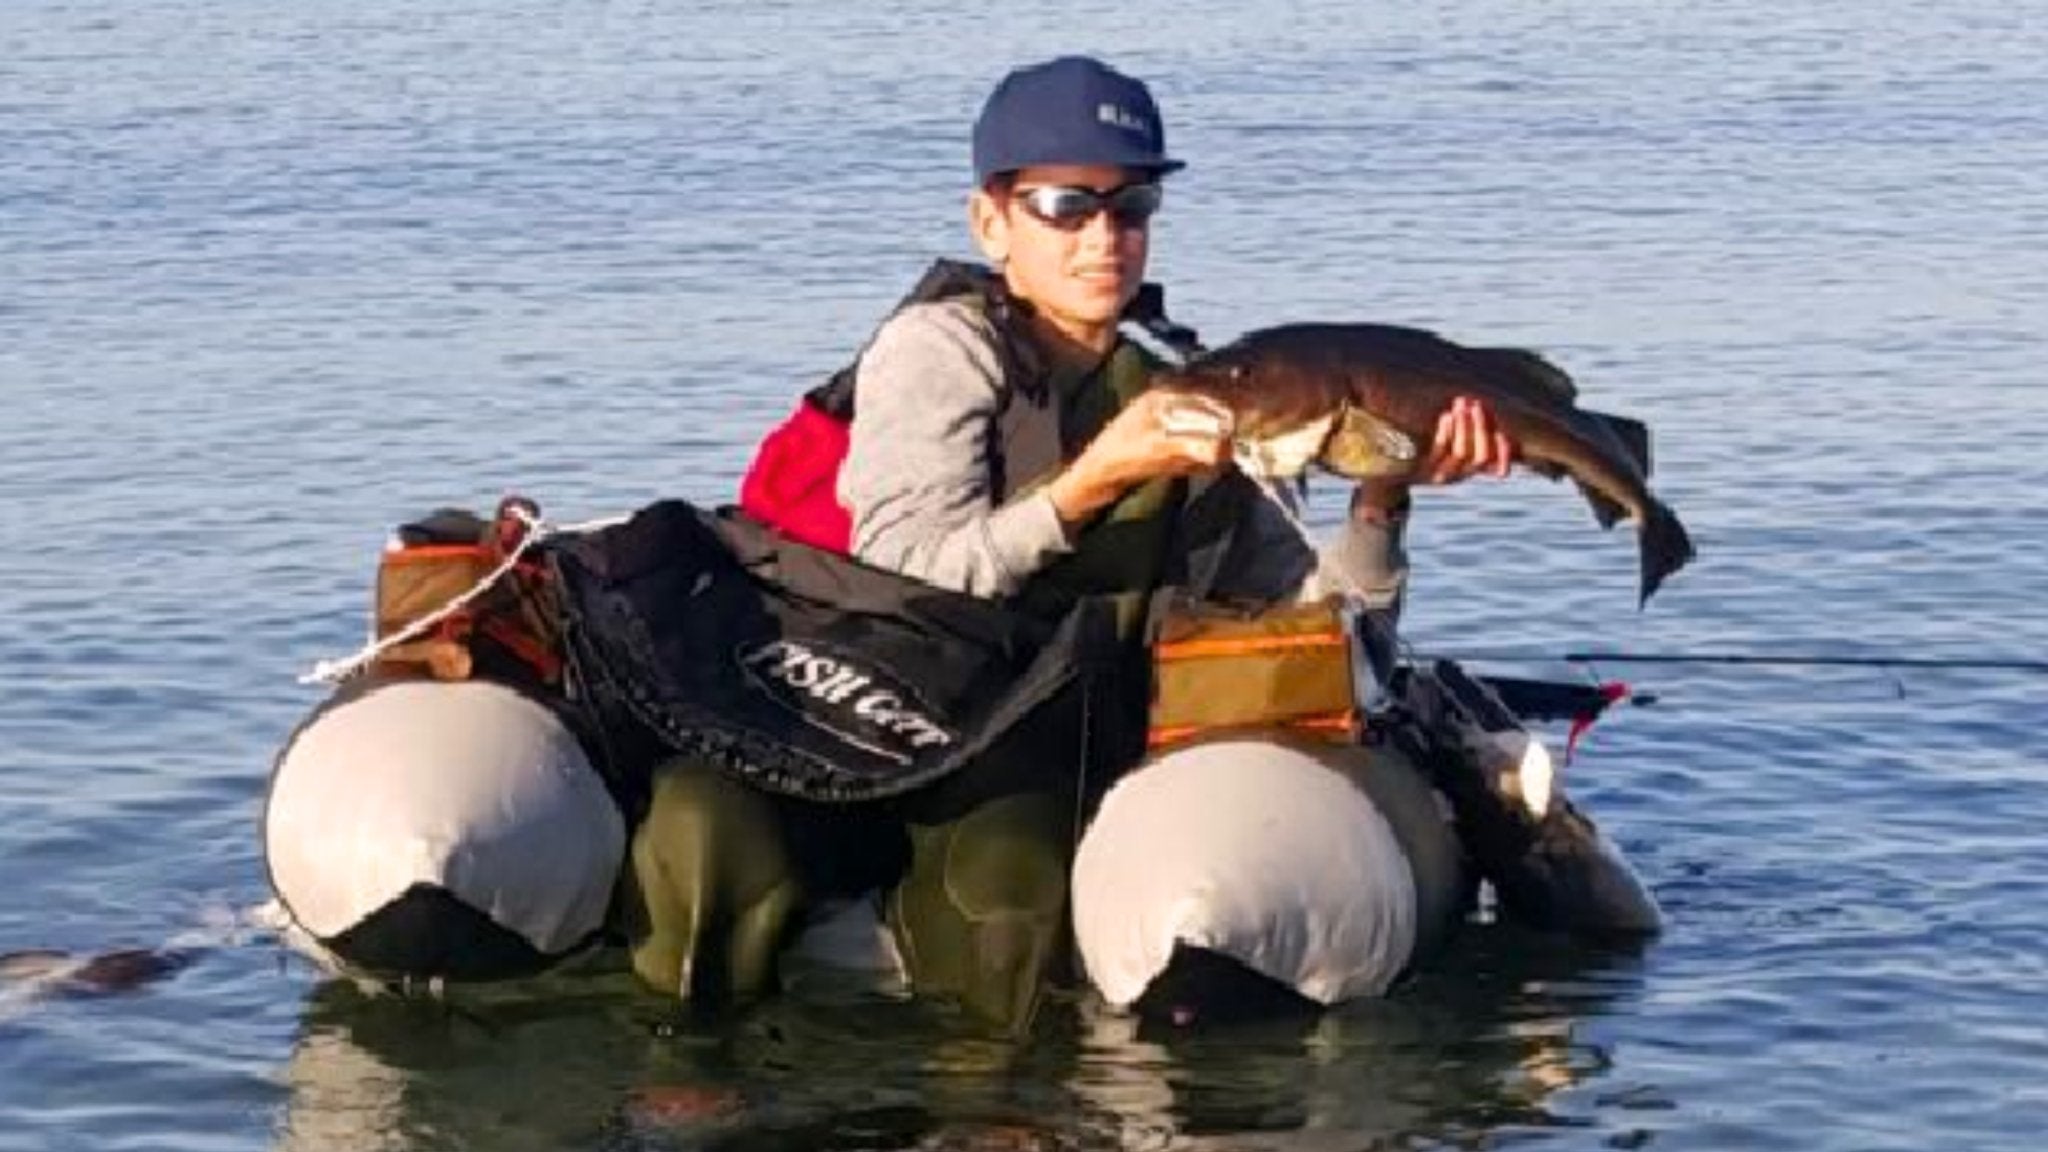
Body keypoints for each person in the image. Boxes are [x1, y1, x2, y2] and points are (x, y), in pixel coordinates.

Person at [621, 55, 1573, 1038]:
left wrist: (1383, 496)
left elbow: (1310, 630)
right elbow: (906, 570)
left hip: (1040, 748)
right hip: (864, 712)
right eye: (1064, 206)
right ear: (991, 221)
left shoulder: (1213, 388)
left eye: (1131, 206)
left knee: (1013, 888)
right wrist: (1094, 478)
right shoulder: (940, 350)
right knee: (704, 826)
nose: (1102, 239)